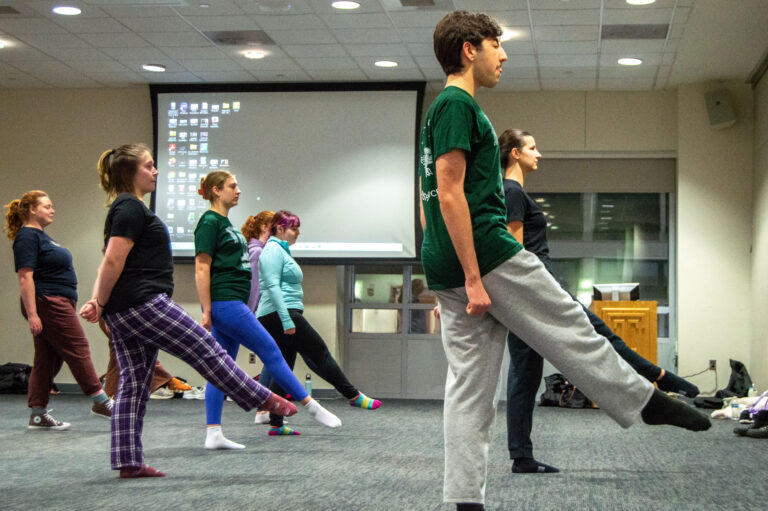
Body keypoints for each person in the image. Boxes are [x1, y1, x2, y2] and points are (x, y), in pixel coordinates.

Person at [419, 11, 709, 510]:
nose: (503, 55)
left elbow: (428, 201)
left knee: (468, 388)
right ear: (469, 49)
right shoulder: (457, 104)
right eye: (495, 45)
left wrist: (446, 266)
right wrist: (471, 275)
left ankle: (464, 501)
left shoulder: (437, 113)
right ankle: (644, 400)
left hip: (449, 263)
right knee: (572, 326)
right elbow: (447, 193)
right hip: (487, 254)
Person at [79, 144, 297, 478]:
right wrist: (100, 302)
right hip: (143, 304)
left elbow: (107, 262)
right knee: (205, 347)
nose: (155, 171)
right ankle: (260, 398)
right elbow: (112, 260)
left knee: (134, 386)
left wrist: (99, 302)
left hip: (125, 309)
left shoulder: (124, 209)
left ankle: (128, 462)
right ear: (129, 172)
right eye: (148, 166)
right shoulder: (130, 208)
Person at [498, 129, 700, 474]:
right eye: (532, 147)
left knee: (525, 375)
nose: (539, 153)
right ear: (515, 153)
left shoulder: (513, 192)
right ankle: (659, 377)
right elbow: (516, 252)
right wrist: (538, 294)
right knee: (598, 335)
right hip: (538, 289)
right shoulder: (513, 192)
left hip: (531, 292)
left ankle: (521, 456)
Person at [194, 172, 341, 448]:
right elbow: (202, 267)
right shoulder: (209, 222)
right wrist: (206, 310)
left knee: (219, 369)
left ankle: (213, 433)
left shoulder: (224, 222)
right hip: (226, 303)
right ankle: (311, 405)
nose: (238, 190)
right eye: (232, 186)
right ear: (216, 190)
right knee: (271, 351)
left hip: (232, 303)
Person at [257, 210, 381, 436]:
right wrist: (286, 319)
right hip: (279, 313)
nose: (298, 233)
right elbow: (273, 286)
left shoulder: (280, 251)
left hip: (280, 313)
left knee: (285, 366)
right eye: (294, 228)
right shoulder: (273, 250)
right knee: (319, 352)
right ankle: (353, 395)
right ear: (279, 228)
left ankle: (276, 423)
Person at [4, 190, 113, 431]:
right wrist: (33, 314)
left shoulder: (41, 236)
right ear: (32, 209)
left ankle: (37, 414)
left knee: (47, 359)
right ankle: (101, 401)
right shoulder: (27, 236)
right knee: (78, 347)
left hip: (56, 302)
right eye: (47, 206)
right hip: (48, 302)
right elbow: (25, 277)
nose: (52, 210)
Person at [98, 319, 191, 400]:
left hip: (118, 315)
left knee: (125, 351)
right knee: (129, 350)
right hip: (115, 315)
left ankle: (108, 398)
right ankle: (163, 381)